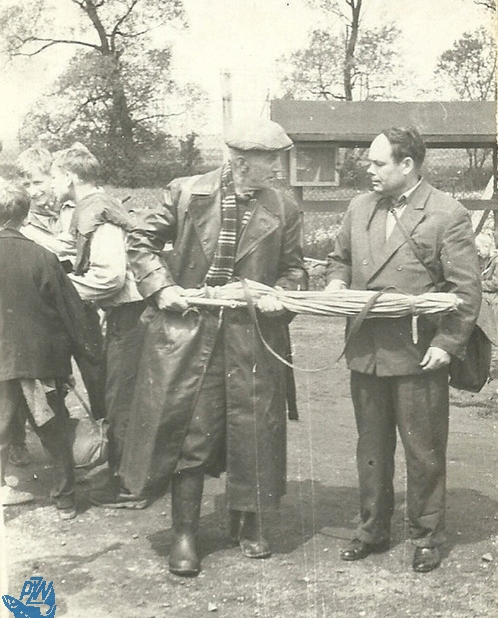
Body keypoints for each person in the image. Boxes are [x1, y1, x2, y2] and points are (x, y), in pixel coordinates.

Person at [117, 118, 307, 576]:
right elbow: (139, 240)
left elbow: (295, 270)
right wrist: (161, 287)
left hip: (254, 337)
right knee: (192, 432)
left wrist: (280, 295)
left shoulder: (284, 207)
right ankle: (185, 532)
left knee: (255, 430)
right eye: (270, 165)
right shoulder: (186, 194)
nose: (279, 172)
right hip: (190, 335)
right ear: (240, 164)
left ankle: (250, 519)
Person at [326, 127, 481, 573]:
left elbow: (465, 290)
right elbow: (340, 258)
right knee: (371, 447)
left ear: (407, 165)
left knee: (423, 450)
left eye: (378, 163)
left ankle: (427, 535)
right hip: (366, 350)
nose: (368, 170)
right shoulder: (359, 208)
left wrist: (447, 344)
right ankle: (372, 529)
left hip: (418, 355)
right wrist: (336, 281)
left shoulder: (446, 214)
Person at [50, 144, 146, 497]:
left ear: (71, 177)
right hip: (122, 314)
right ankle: (121, 473)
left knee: (120, 397)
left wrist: (59, 288)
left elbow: (109, 278)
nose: (51, 183)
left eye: (55, 176)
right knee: (117, 392)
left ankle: (124, 483)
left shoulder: (99, 214)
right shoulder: (90, 207)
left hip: (131, 313)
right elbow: (66, 245)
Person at [0, 181, 94, 516]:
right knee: (52, 427)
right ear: (24, 218)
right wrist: (79, 360)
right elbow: (71, 312)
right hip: (39, 362)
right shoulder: (44, 257)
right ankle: (65, 498)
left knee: (1, 424)